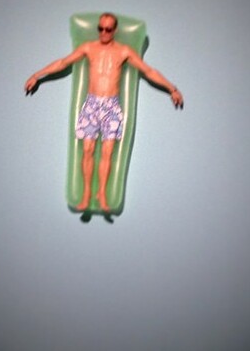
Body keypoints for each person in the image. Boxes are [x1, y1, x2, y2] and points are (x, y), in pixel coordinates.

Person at [24, 12, 183, 211]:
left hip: (111, 106)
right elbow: (63, 62)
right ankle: (86, 193)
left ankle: (102, 194)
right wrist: (37, 75)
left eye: (108, 29)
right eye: (100, 28)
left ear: (114, 30)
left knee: (107, 152)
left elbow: (148, 71)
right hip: (92, 104)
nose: (104, 33)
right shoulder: (89, 48)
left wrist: (172, 89)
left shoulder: (123, 51)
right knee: (88, 149)